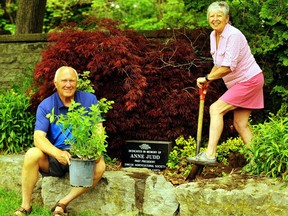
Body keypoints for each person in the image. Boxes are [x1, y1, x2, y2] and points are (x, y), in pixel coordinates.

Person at [14, 66, 106, 216]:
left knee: (100, 165)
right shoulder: (46, 105)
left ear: (77, 82)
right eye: (64, 81)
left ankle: (62, 204)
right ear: (55, 83)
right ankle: (25, 206)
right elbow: (38, 138)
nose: (68, 84)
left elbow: (98, 129)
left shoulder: (89, 100)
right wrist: (58, 153)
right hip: (54, 157)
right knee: (32, 154)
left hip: (82, 153)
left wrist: (94, 150)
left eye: (72, 80)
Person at [187, 1, 264, 165]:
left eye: (219, 16)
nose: (215, 19)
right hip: (241, 82)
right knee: (240, 124)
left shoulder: (233, 35)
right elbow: (218, 63)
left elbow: (228, 66)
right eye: (211, 16)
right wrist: (210, 78)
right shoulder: (213, 35)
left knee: (216, 109)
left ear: (227, 18)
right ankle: (258, 162)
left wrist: (207, 79)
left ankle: (210, 154)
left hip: (248, 80)